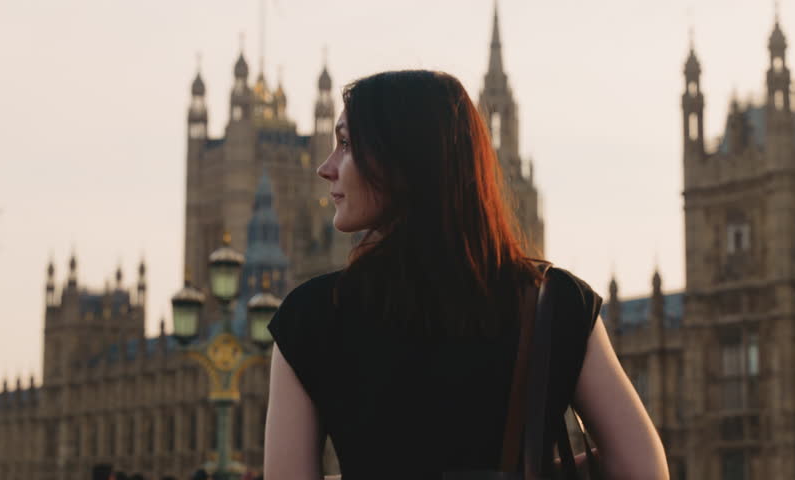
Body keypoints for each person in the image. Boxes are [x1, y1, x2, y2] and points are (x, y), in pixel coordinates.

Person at [264, 70, 668, 479]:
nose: (325, 167)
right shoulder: (553, 301)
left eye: (346, 144)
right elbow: (643, 470)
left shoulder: (310, 316)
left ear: (401, 160)